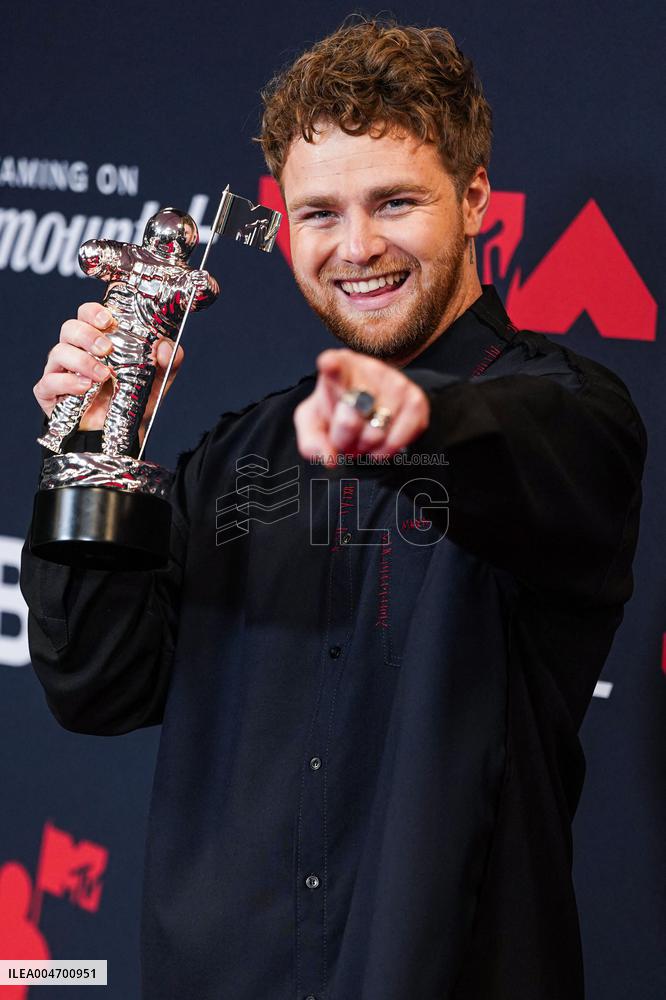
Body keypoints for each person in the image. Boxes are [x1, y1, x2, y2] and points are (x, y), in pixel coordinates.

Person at [20, 19, 646, 1000]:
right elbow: (97, 686)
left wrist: (416, 418)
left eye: (394, 201)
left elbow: (528, 450)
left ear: (475, 194)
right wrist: (98, 451)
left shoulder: (565, 412)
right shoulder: (235, 451)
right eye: (318, 214)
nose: (355, 247)